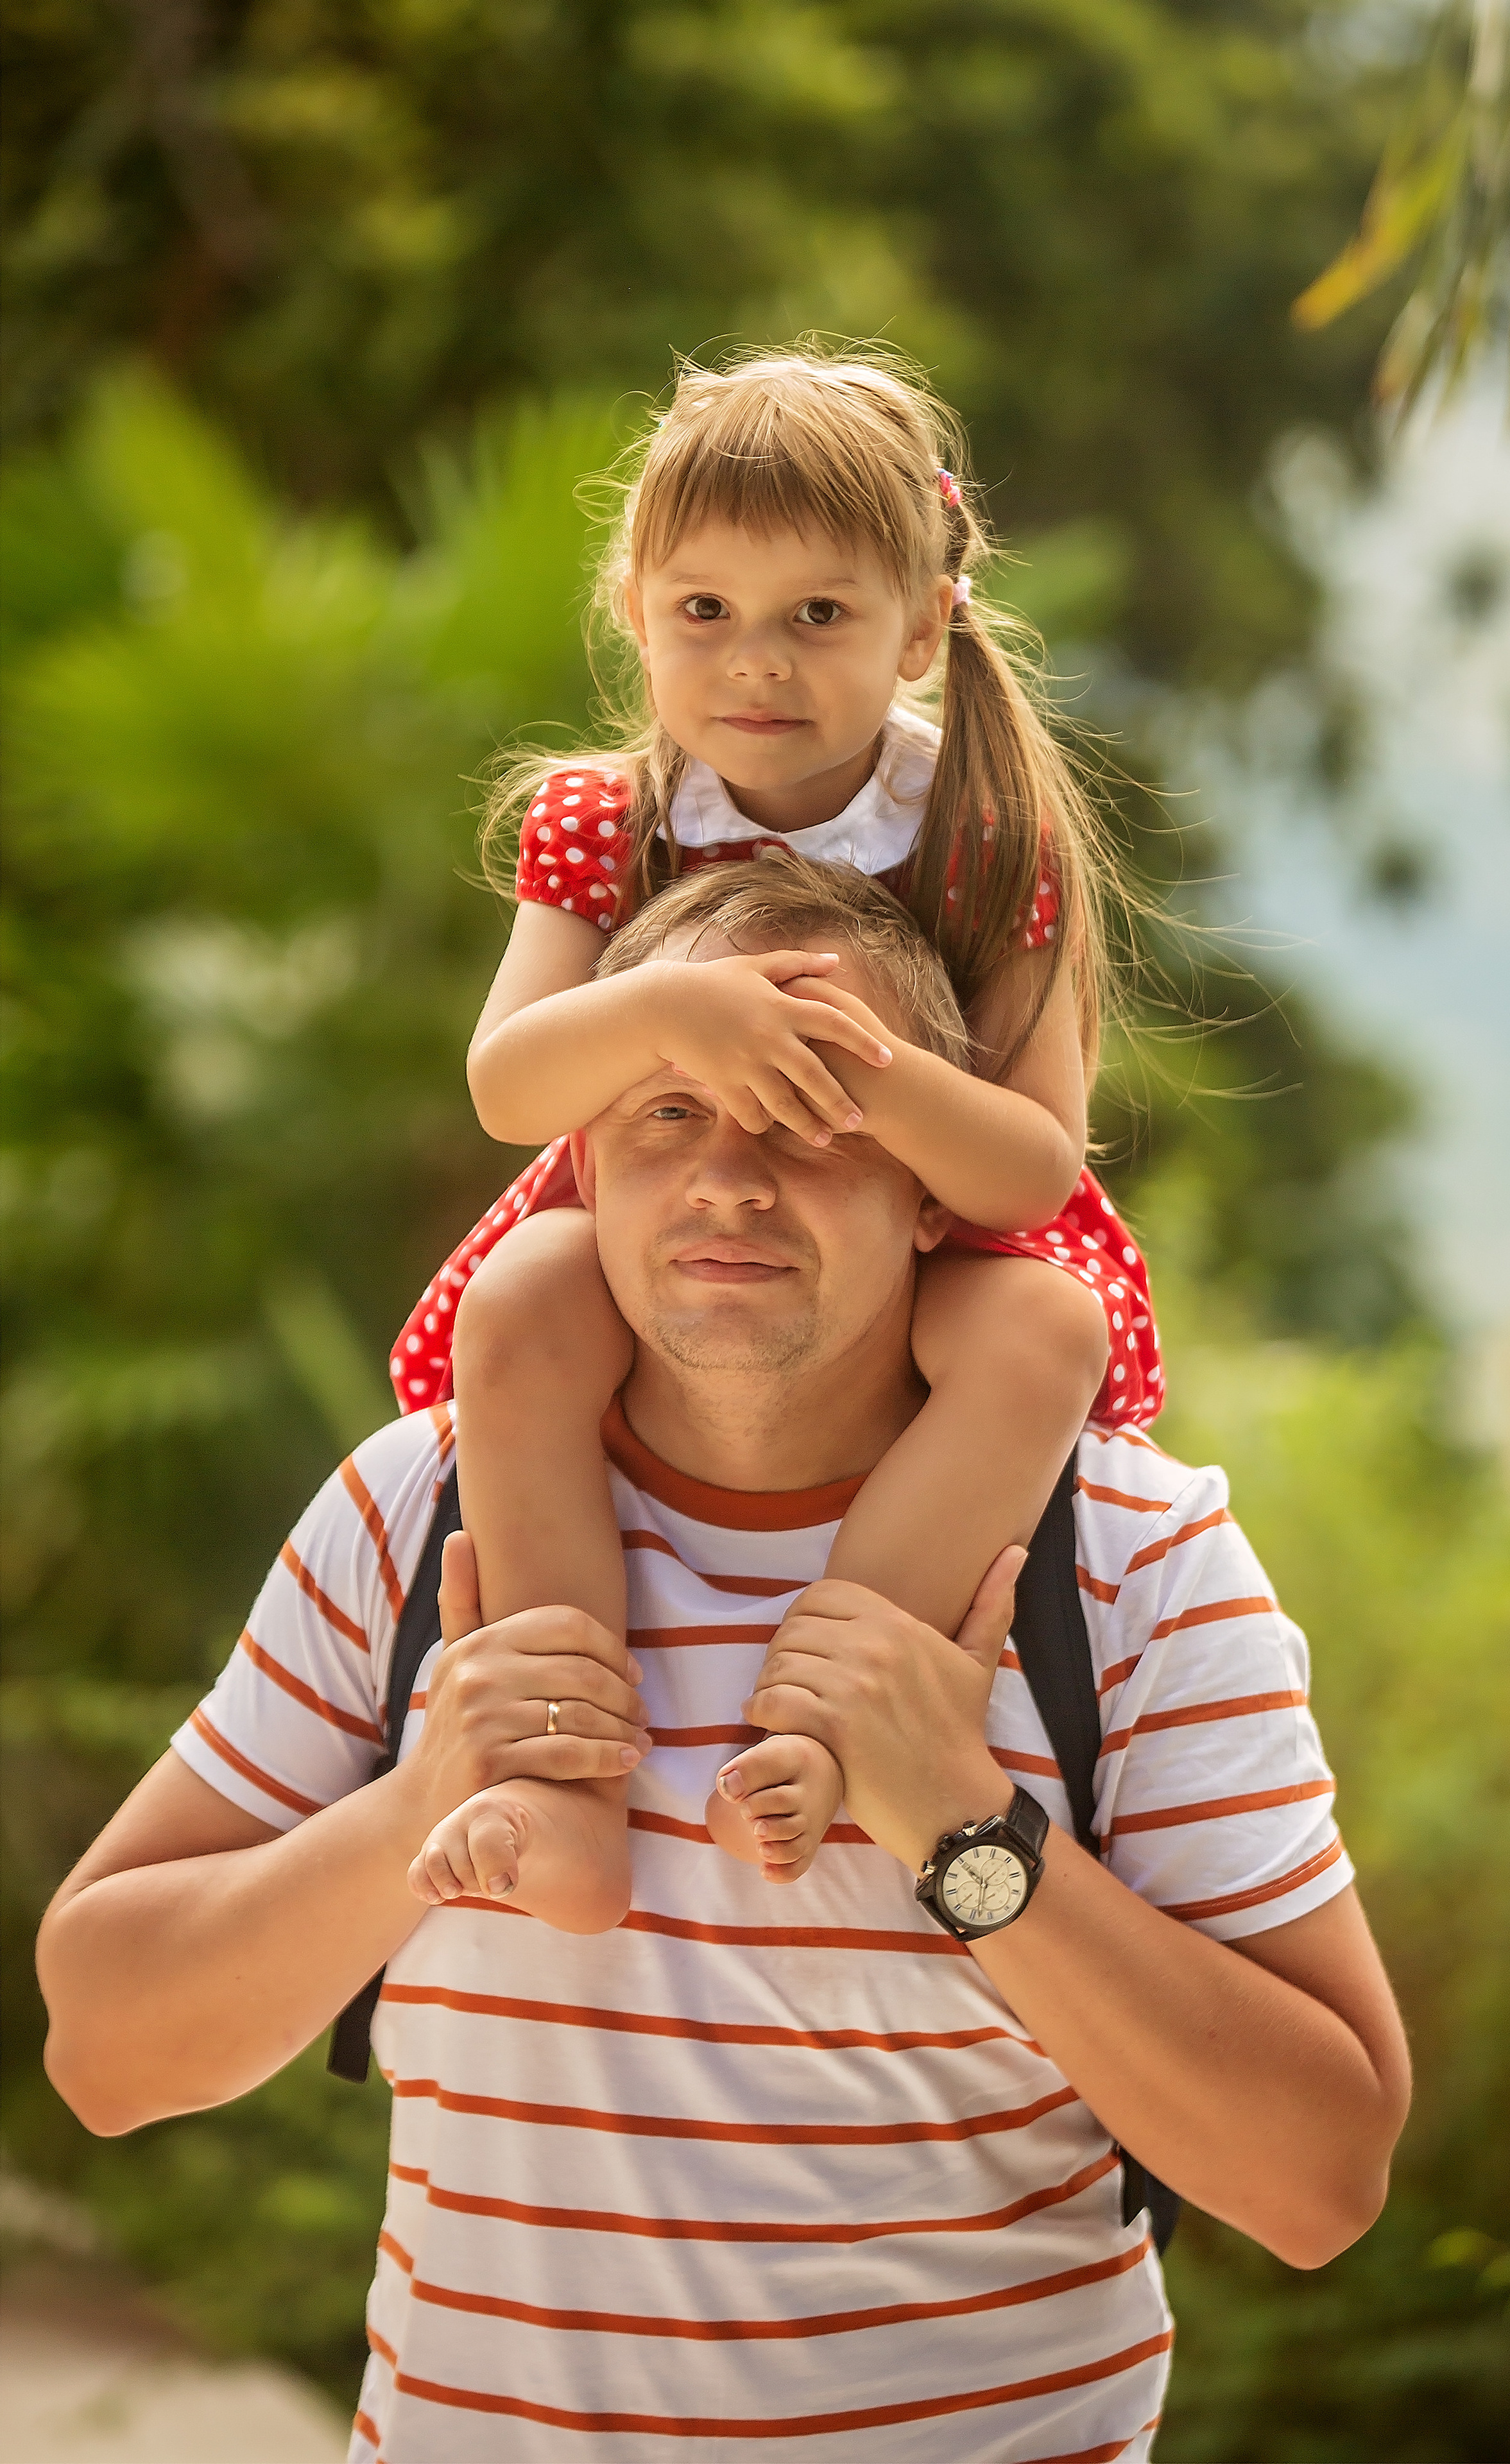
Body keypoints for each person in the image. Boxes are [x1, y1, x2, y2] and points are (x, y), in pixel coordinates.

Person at [38, 861, 1410, 2464]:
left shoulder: (1128, 1564)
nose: (731, 1180)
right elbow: (105, 2051)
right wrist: (422, 1800)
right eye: (666, 1117)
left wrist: (968, 1833)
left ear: (927, 1189)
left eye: (812, 1111)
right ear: (585, 1178)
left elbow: (1319, 2183)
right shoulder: (415, 1512)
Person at [390, 345, 1162, 1913]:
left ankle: (830, 1721)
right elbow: (507, 1088)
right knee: (523, 1301)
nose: (758, 661)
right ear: (635, 610)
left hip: (909, 1227)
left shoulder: (982, 831)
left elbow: (1031, 1166)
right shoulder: (609, 822)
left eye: (817, 613)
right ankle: (560, 1778)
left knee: (1041, 1329)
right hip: (666, 1212)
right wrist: (673, 1020)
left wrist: (852, 1064)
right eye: (705, 612)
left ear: (923, 620)